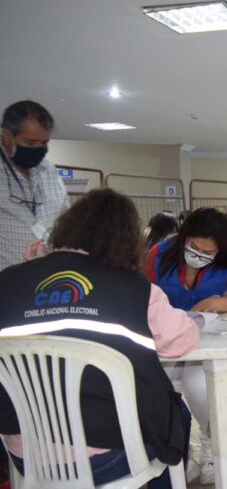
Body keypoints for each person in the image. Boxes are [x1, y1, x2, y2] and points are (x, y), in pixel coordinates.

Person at [0, 188, 199, 488]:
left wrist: (32, 266)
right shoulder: (135, 289)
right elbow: (182, 340)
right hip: (106, 455)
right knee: (176, 413)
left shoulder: (8, 281)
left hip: (22, 450)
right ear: (128, 239)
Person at [145, 206, 227, 484]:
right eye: (193, 247)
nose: (198, 256)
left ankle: (209, 448)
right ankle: (181, 452)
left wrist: (220, 302)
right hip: (166, 343)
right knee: (162, 393)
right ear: (184, 237)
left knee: (201, 389)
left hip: (204, 341)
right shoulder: (159, 254)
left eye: (207, 253)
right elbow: (141, 293)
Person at [0, 100, 68, 270]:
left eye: (44, 143)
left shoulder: (49, 172)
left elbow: (67, 221)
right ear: (7, 136)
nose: (38, 148)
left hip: (48, 279)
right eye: (30, 143)